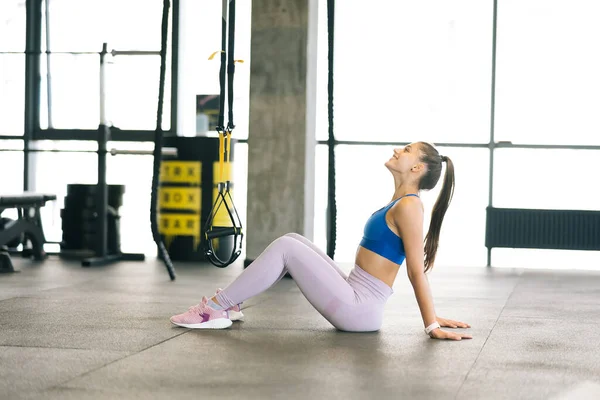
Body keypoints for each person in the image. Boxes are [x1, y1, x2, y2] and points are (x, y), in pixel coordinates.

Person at [170, 141, 473, 340]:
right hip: (355, 296)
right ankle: (232, 301)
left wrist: (431, 325)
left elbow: (415, 270)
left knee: (286, 247)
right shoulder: (400, 202)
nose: (397, 150)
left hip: (359, 308)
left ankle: (215, 308)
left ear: (417, 168)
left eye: (406, 150)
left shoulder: (409, 206)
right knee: (292, 238)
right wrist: (433, 316)